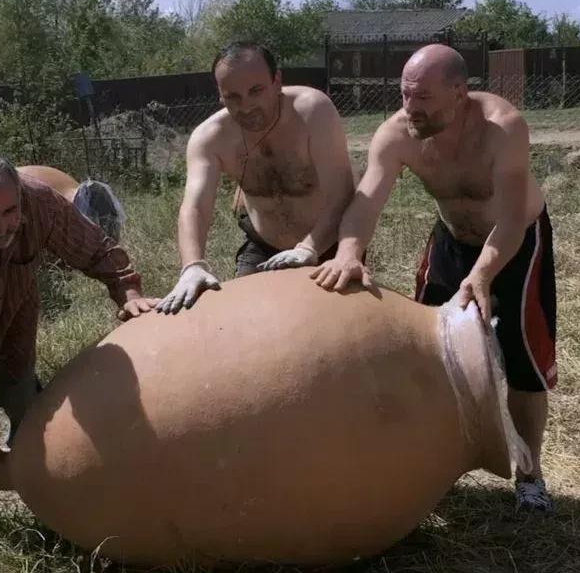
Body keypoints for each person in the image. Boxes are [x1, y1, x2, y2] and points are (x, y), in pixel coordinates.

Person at [311, 44, 558, 513]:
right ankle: (438, 465)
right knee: (428, 349)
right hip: (450, 240)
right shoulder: (398, 132)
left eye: (422, 98)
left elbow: (509, 219)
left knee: (524, 363)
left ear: (460, 93)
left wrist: (482, 275)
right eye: (405, 95)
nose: (410, 108)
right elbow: (366, 200)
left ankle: (530, 475)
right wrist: (348, 252)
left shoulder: (503, 127)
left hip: (518, 241)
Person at [0, 153, 158, 529]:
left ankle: (45, 492)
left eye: (10, 212)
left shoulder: (40, 203)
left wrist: (128, 292)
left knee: (25, 399)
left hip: (13, 310)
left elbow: (95, 249)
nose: (2, 226)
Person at [155, 41, 355, 314]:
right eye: (233, 96)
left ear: (277, 81)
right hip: (264, 248)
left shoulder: (312, 111)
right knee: (246, 325)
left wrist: (309, 247)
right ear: (220, 94)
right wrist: (192, 266)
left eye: (256, 91)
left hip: (326, 244)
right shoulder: (210, 138)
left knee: (337, 331)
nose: (246, 106)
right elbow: (195, 207)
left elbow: (341, 193)